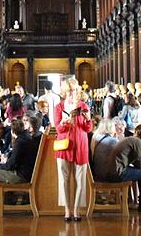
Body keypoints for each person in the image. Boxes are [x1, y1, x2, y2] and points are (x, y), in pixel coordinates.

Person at [0, 116, 43, 216]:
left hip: (20, 176)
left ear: (13, 131)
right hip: (26, 172)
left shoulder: (20, 142)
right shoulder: (27, 138)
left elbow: (10, 165)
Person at [54, 77, 92, 221]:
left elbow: (88, 129)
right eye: (69, 90)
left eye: (75, 90)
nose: (72, 93)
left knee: (80, 179)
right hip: (64, 146)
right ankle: (67, 210)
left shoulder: (83, 106)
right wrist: (65, 122)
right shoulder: (59, 107)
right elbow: (58, 128)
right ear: (64, 92)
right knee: (64, 180)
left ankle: (76, 210)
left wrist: (88, 119)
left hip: (81, 146)